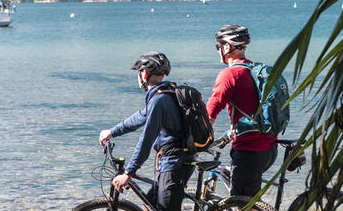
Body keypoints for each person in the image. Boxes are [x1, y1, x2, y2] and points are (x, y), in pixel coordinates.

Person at [98, 52, 195, 211]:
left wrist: (129, 172)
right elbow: (140, 117)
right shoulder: (166, 92)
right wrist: (112, 132)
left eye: (139, 72)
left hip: (174, 166)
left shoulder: (159, 100)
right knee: (149, 204)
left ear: (144, 73)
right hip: (178, 160)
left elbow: (146, 139)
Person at [205, 25, 278, 197]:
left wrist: (194, 142)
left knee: (242, 204)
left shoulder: (229, 75)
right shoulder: (256, 71)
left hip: (249, 151)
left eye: (218, 47)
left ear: (227, 47)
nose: (218, 51)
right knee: (247, 198)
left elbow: (209, 115)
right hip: (269, 149)